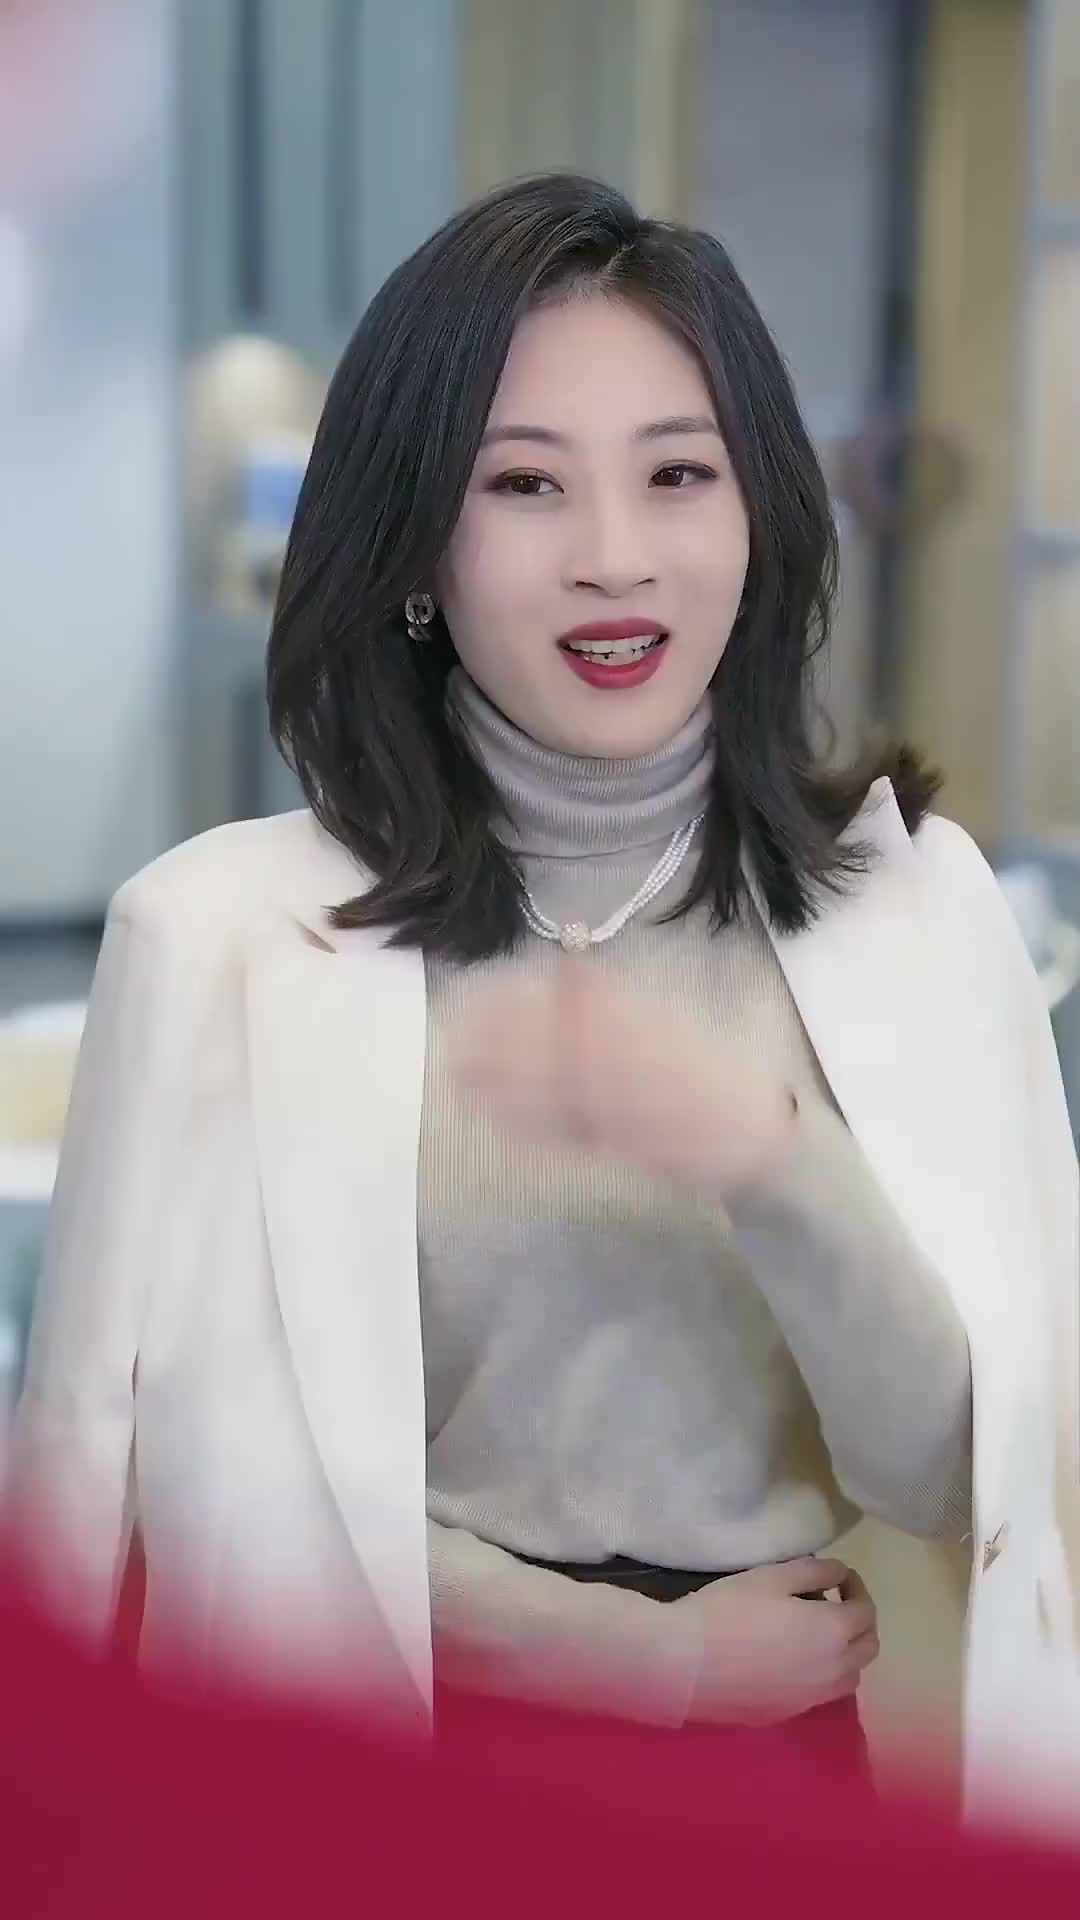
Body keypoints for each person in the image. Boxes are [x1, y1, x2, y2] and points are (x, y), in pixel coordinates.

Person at [11, 175, 1080, 1804]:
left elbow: (971, 1479)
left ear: (756, 522)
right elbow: (127, 1492)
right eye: (525, 484)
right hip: (362, 1775)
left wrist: (767, 1155)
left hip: (774, 1791)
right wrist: (637, 1663)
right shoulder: (211, 936)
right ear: (417, 548)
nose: (614, 559)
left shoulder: (917, 915)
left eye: (678, 476)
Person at [5, 1559, 1080, 1920]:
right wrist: (659, 1655)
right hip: (455, 1703)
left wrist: (772, 1163)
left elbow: (951, 1442)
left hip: (782, 1700)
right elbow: (293, 1463)